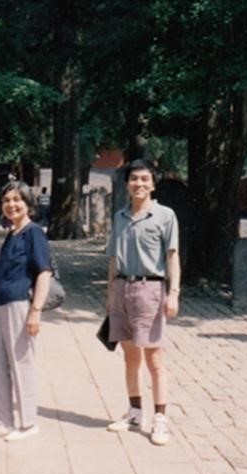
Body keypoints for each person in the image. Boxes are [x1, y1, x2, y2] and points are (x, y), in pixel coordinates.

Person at [105, 159, 180, 446]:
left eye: (144, 179)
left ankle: (160, 419)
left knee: (154, 359)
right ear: (127, 184)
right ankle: (135, 412)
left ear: (153, 183)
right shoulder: (120, 216)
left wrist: (173, 293)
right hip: (122, 288)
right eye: (134, 179)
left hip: (150, 289)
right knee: (130, 357)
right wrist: (110, 294)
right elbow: (113, 258)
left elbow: (172, 256)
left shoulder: (165, 216)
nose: (139, 184)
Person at [0, 181, 52, 442]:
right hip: (0, 303)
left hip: (20, 304)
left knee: (22, 363)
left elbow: (44, 273)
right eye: (7, 200)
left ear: (28, 203)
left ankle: (29, 423)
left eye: (17, 199)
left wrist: (36, 311)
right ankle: (1, 421)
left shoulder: (34, 233)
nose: (11, 205)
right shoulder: (12, 234)